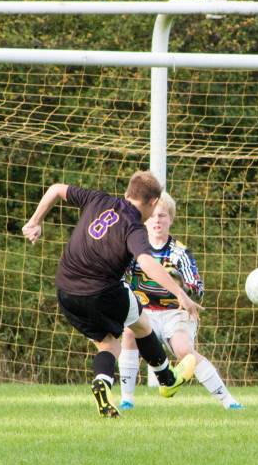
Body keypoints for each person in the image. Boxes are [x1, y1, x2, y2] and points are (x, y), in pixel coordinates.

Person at [23, 171, 201, 418]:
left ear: (128, 192)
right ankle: (167, 379)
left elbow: (54, 188)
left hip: (65, 289)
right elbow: (148, 264)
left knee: (108, 343)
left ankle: (103, 383)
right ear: (151, 202)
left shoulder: (98, 199)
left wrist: (35, 222)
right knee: (141, 323)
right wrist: (180, 292)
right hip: (101, 291)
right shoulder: (134, 228)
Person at [118, 192, 243, 411]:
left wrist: (183, 289)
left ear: (171, 220)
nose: (157, 220)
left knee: (185, 352)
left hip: (175, 314)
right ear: (145, 218)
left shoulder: (180, 253)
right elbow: (119, 276)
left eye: (163, 216)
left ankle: (228, 401)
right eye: (154, 216)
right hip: (144, 312)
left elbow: (197, 289)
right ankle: (126, 399)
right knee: (129, 332)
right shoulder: (134, 248)